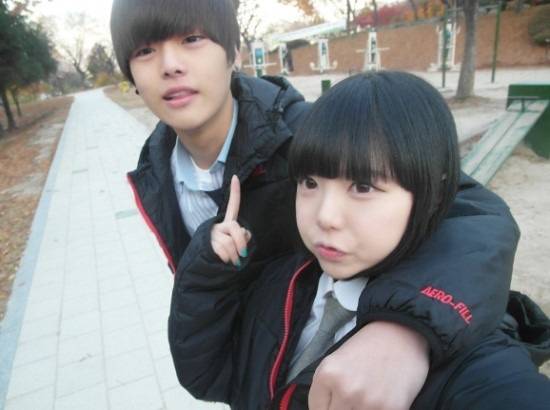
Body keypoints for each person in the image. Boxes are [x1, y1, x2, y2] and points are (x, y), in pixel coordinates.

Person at [110, 1, 520, 408]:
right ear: (130, 74)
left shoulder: (319, 134)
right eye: (145, 50)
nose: (170, 65)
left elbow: (471, 213)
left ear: (235, 51)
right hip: (255, 367)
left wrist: (405, 331)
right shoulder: (155, 172)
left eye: (192, 39)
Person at [169, 71, 550, 409]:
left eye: (363, 187)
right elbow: (211, 378)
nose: (325, 216)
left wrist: (407, 338)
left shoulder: (457, 348)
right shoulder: (285, 280)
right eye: (310, 182)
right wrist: (211, 270)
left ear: (432, 194)